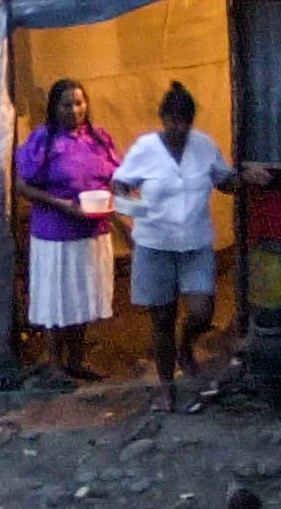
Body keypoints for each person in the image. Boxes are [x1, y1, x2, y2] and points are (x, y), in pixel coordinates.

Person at [112, 81, 271, 411]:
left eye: (185, 121)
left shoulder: (204, 146)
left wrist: (245, 177)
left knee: (201, 310)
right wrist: (135, 216)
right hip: (154, 245)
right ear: (162, 118)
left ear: (191, 121)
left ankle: (187, 344)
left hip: (196, 243)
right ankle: (167, 388)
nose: (178, 127)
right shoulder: (146, 148)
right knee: (162, 318)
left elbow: (224, 181)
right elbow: (120, 185)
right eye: (172, 120)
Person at [13, 78, 122, 381]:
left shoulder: (98, 139)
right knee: (55, 298)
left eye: (79, 103)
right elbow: (22, 186)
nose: (74, 110)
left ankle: (76, 360)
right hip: (55, 235)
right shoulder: (44, 140)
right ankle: (54, 364)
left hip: (92, 231)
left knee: (83, 295)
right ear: (54, 107)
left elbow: (115, 176)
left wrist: (118, 197)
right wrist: (62, 204)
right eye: (66, 104)